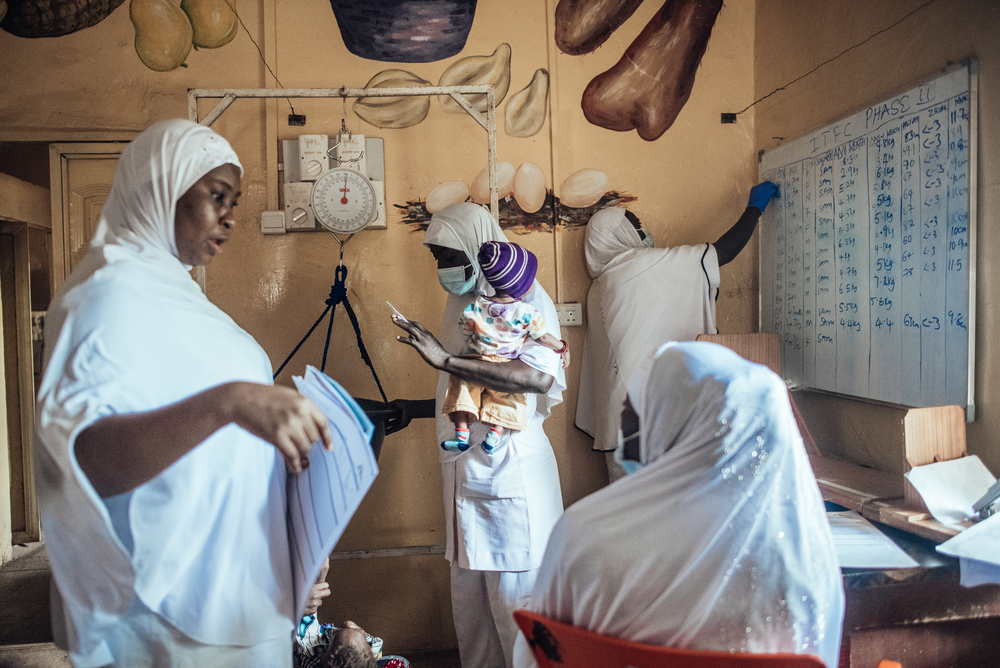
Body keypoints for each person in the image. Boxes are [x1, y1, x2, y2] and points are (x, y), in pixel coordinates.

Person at [34, 119, 333, 667]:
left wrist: (298, 540)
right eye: (216, 196)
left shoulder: (180, 295)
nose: (230, 217)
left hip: (243, 588)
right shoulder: (103, 301)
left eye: (235, 201)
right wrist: (230, 402)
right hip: (167, 615)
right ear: (160, 188)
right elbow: (85, 458)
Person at [515, 341, 845, 668]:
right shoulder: (809, 562)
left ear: (677, 424)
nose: (625, 429)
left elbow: (538, 657)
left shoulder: (584, 538)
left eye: (637, 412)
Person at [390, 202, 566, 668]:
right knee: (474, 618)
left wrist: (443, 361)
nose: (443, 268)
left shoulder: (526, 297)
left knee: (518, 615)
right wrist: (420, 408)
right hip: (466, 474)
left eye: (450, 256)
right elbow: (470, 385)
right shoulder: (463, 301)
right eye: (437, 258)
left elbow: (536, 378)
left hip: (511, 473)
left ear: (477, 246)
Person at [576, 181, 779, 481]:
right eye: (635, 224)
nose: (643, 229)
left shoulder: (601, 286)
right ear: (617, 235)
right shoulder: (638, 267)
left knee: (632, 516)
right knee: (666, 515)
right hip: (651, 423)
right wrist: (754, 208)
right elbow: (720, 253)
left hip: (619, 427)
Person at [442, 240, 569, 453]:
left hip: (477, 361)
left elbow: (466, 328)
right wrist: (562, 347)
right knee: (508, 399)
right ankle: (495, 434)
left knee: (461, 390)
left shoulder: (478, 305)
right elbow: (543, 338)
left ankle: (461, 434)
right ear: (521, 284)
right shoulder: (527, 312)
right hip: (504, 364)